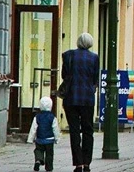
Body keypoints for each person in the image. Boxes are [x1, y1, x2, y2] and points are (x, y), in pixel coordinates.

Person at [62, 33, 99, 172]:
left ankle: (78, 164)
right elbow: (95, 78)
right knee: (88, 131)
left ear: (78, 42)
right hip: (87, 99)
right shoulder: (94, 58)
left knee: (74, 130)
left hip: (71, 97)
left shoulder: (68, 55)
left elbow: (64, 75)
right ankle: (87, 164)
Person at [27, 96, 61, 172]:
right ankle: (49, 167)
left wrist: (30, 139)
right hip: (49, 139)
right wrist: (57, 139)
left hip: (39, 139)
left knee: (38, 150)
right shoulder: (52, 117)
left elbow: (33, 128)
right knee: (49, 154)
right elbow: (55, 129)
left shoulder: (37, 117)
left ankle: (38, 160)